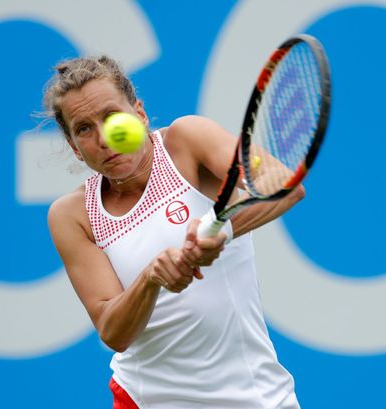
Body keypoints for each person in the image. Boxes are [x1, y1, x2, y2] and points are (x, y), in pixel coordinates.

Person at [44, 55, 304, 409]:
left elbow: (282, 184)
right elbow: (112, 331)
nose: (104, 138)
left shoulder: (187, 141)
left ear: (139, 113)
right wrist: (150, 278)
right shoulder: (72, 215)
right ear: (75, 147)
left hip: (257, 397)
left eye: (111, 116)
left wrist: (222, 229)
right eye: (84, 129)